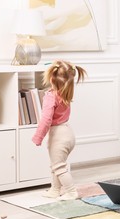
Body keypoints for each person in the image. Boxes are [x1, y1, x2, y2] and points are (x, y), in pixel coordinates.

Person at [32, 60, 87, 200]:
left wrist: (38, 137)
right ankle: (55, 189)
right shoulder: (65, 95)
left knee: (58, 167)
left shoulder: (50, 96)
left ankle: (71, 192)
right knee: (56, 165)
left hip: (58, 136)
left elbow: (46, 120)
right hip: (67, 133)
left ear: (51, 78)